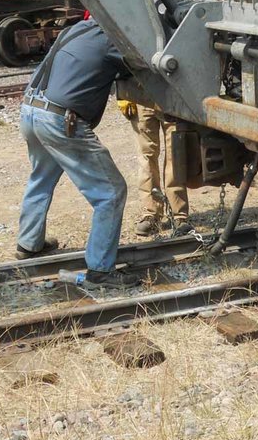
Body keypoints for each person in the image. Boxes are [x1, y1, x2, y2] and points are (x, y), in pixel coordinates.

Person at [16, 16, 139, 290]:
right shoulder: (112, 38)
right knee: (111, 192)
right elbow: (142, 65)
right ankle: (100, 271)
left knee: (41, 178)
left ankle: (29, 243)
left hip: (30, 110)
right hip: (59, 120)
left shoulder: (76, 29)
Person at [120, 102, 191, 237]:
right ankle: (151, 214)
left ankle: (179, 215)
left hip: (171, 95)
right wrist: (123, 96)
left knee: (175, 155)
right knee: (146, 158)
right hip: (140, 96)